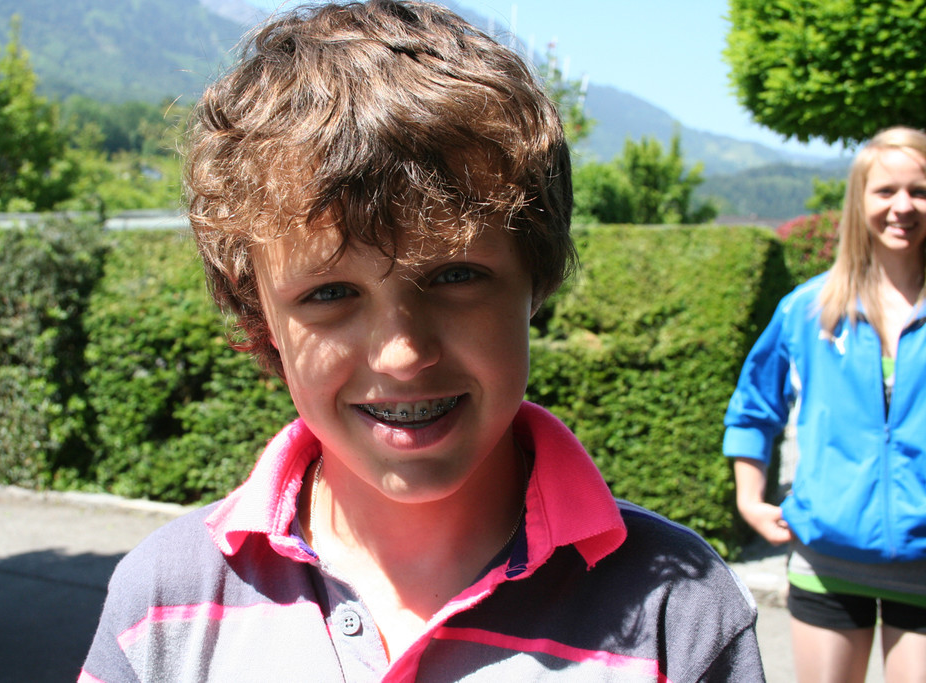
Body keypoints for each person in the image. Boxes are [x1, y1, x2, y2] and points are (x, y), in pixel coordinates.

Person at [80, 2, 763, 680]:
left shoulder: (680, 615)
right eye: (329, 293)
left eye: (456, 276)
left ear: (538, 279)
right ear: (258, 312)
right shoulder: (162, 604)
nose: (402, 354)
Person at [724, 126, 926, 682]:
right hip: (826, 560)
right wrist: (749, 499)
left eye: (919, 191)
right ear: (860, 200)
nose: (903, 206)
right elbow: (754, 406)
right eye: (886, 191)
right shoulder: (808, 309)